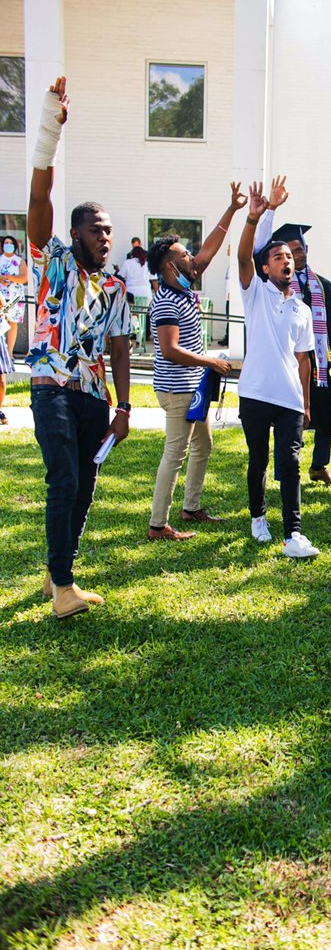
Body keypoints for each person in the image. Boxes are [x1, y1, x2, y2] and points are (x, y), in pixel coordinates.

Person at [25, 77, 132, 618]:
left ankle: (55, 570)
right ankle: (64, 589)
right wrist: (50, 131)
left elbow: (118, 346)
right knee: (63, 477)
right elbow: (39, 196)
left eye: (110, 231)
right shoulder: (54, 260)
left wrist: (124, 407)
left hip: (94, 395)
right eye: (96, 230)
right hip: (53, 387)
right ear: (75, 232)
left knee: (86, 484)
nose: (105, 238)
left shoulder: (115, 285)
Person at [146, 189, 239, 541]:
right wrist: (210, 361)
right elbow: (169, 349)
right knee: (176, 452)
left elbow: (210, 250)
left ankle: (191, 507)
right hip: (176, 389)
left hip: (191, 387)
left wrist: (231, 210)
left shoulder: (182, 288)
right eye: (185, 254)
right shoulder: (167, 300)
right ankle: (158, 525)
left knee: (203, 447)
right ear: (171, 265)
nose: (192, 257)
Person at [239, 180, 319, 558]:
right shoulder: (254, 293)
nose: (286, 260)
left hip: (288, 397)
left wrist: (304, 404)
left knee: (290, 463)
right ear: (265, 268)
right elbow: (243, 257)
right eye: (278, 257)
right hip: (255, 393)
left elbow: (304, 360)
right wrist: (258, 215)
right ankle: (258, 518)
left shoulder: (301, 309)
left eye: (289, 256)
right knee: (259, 460)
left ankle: (294, 535)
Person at [254, 181, 331, 485]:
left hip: (319, 363)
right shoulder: (274, 286)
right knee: (291, 418)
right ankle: (286, 469)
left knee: (322, 414)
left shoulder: (322, 284)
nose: (298, 255)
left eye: (301, 249)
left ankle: (319, 465)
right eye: (292, 251)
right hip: (289, 363)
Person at [116, 241, 153, 352]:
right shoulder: (148, 263)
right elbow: (154, 279)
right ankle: (140, 338)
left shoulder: (128, 262)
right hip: (146, 293)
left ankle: (133, 333)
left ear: (132, 254)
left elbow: (120, 276)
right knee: (143, 317)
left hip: (132, 293)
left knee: (133, 315)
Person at [0, 234, 28, 356]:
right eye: (6, 243)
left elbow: (24, 278)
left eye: (11, 243)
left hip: (15, 297)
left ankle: (9, 353)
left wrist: (10, 277)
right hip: (1, 295)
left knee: (12, 323)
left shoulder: (19, 261)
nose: (8, 245)